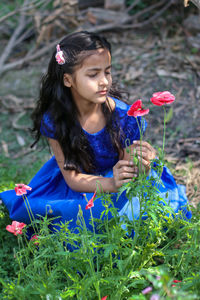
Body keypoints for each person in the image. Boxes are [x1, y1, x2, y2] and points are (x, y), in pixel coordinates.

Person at [0, 31, 191, 232]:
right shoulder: (56, 120)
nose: (104, 82)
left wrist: (141, 164)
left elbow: (129, 174)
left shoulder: (125, 117)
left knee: (132, 216)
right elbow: (73, 179)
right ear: (68, 80)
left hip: (122, 182)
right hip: (84, 184)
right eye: (93, 74)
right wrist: (110, 184)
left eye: (107, 72)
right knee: (75, 216)